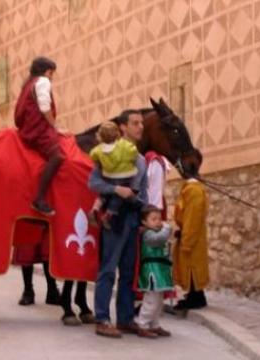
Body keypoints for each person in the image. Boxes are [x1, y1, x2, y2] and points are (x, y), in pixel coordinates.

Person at [88, 109, 148, 338]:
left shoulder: (139, 158)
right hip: (115, 219)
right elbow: (93, 183)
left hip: (133, 217)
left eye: (141, 123)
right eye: (135, 123)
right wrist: (116, 189)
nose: (140, 127)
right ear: (122, 127)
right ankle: (102, 318)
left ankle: (125, 319)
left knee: (127, 271)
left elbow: (140, 191)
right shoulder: (108, 154)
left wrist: (144, 216)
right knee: (108, 269)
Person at [14, 57, 65, 216]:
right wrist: (55, 126)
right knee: (57, 157)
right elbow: (44, 107)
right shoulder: (42, 81)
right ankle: (40, 198)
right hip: (38, 130)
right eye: (51, 73)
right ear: (45, 71)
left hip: (27, 128)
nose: (51, 77)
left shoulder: (28, 84)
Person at [88, 121, 139, 229]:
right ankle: (108, 215)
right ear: (118, 132)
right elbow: (133, 151)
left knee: (103, 195)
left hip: (108, 176)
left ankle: (95, 208)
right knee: (118, 196)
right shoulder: (124, 146)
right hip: (123, 176)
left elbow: (92, 155)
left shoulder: (99, 150)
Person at [173, 165, 209, 310]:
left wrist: (187, 240)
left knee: (192, 266)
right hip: (190, 233)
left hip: (192, 236)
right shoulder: (191, 189)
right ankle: (194, 294)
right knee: (190, 265)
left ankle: (197, 297)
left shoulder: (193, 191)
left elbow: (192, 218)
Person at [135, 205, 173, 338]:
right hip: (152, 271)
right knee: (151, 300)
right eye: (154, 219)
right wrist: (167, 228)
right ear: (144, 222)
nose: (158, 221)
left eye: (159, 218)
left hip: (160, 270)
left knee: (159, 301)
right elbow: (160, 239)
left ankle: (154, 324)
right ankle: (142, 324)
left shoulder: (156, 233)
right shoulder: (148, 234)